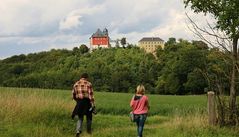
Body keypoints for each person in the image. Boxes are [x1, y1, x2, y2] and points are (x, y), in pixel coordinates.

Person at [71, 73, 95, 137]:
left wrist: (77, 101)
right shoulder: (88, 84)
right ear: (87, 77)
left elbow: (73, 95)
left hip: (79, 102)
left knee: (80, 117)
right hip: (87, 102)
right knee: (89, 117)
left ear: (81, 77)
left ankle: (78, 131)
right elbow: (91, 95)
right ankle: (89, 131)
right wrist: (93, 104)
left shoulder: (76, 84)